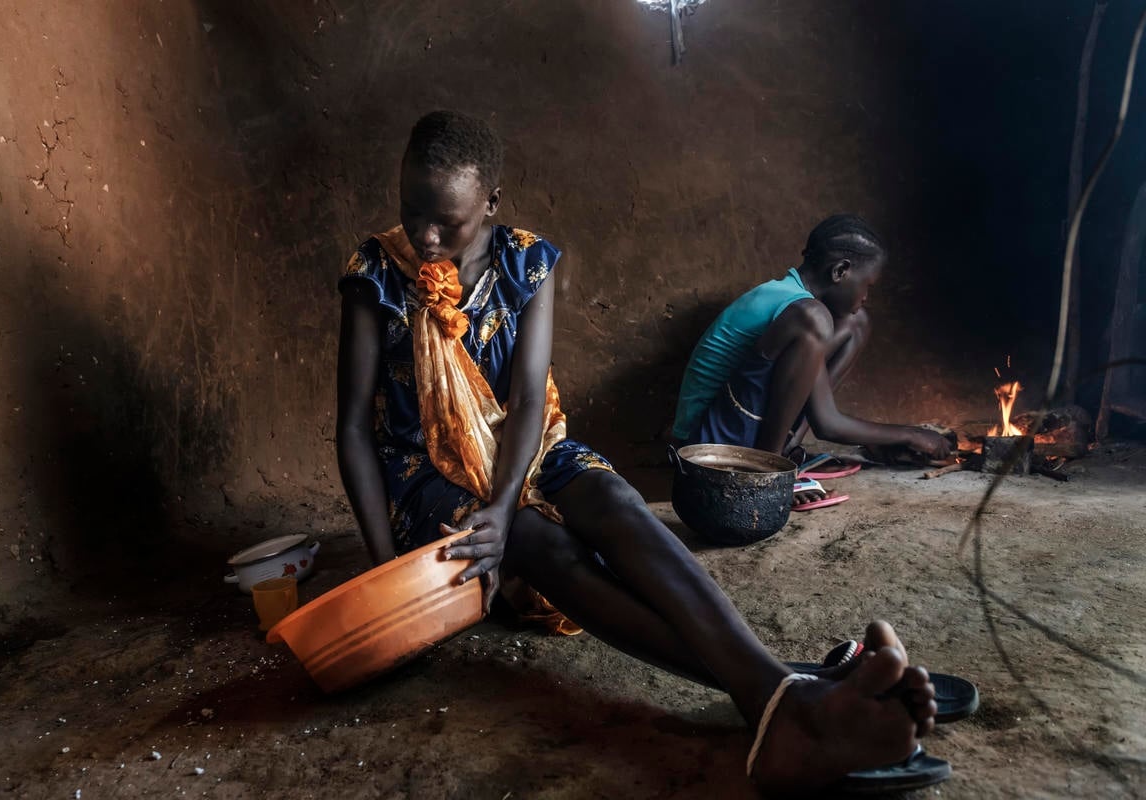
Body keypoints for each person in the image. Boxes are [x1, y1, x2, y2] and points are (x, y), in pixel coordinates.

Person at [336, 110, 939, 795]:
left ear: (493, 204)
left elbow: (530, 401)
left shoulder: (526, 261)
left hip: (521, 446)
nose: (426, 234)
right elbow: (355, 428)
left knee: (614, 500)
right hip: (425, 476)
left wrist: (503, 502)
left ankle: (788, 700)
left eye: (449, 220)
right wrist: (385, 571)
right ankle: (796, 692)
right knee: (542, 542)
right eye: (412, 210)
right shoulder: (376, 274)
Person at [671, 216, 954, 465]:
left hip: (735, 426)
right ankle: (768, 471)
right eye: (867, 285)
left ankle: (784, 448)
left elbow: (821, 415)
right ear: (840, 271)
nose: (866, 296)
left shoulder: (799, 304)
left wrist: (883, 439)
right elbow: (827, 424)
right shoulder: (805, 313)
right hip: (704, 444)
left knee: (856, 321)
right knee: (818, 318)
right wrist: (909, 433)